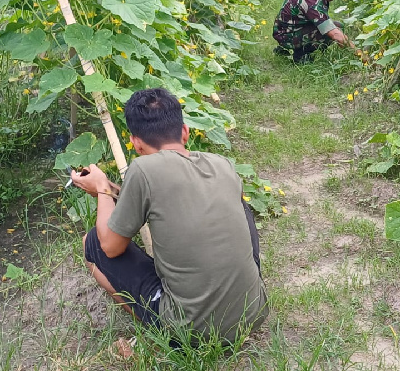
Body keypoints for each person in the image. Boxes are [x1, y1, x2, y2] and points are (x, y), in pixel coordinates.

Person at [71, 88, 267, 345]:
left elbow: (110, 246)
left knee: (93, 242)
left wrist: (101, 189)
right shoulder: (222, 164)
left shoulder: (142, 169)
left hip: (192, 332)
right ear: (185, 132)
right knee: (239, 205)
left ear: (136, 143)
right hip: (252, 314)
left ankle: (162, 330)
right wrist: (113, 191)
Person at [273, 0, 363, 64]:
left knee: (336, 26)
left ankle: (284, 48)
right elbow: (335, 35)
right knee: (332, 32)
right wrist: (361, 56)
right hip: (286, 33)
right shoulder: (311, 4)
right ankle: (300, 54)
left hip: (288, 25)